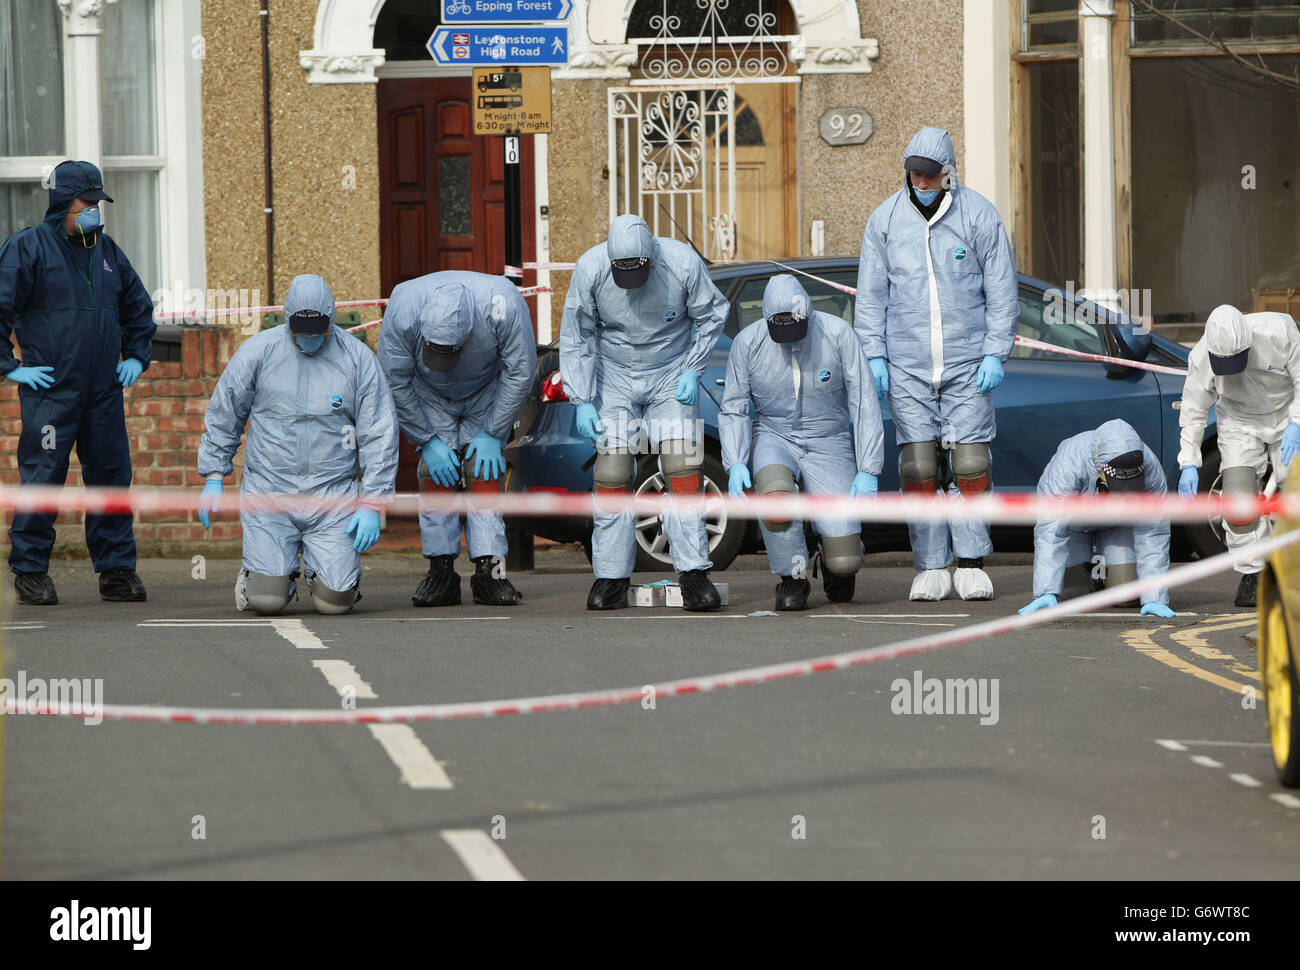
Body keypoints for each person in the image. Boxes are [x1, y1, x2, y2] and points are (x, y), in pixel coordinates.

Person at [854, 127, 1018, 603]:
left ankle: (970, 563)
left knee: (970, 466)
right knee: (919, 468)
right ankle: (930, 564)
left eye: (930, 175)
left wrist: (994, 352)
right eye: (914, 174)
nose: (921, 182)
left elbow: (1002, 291)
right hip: (907, 365)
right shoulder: (885, 221)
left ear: (949, 173)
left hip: (968, 364)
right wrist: (876, 357)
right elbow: (871, 299)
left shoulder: (979, 215)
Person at [0, 160, 155, 606]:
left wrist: (137, 357)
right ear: (63, 203)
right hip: (51, 389)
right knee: (43, 476)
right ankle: (30, 571)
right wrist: (10, 367)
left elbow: (138, 310)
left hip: (103, 391)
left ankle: (117, 570)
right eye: (86, 203)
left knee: (110, 477)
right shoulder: (27, 249)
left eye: (98, 204)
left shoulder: (108, 253)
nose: (94, 211)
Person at [197, 274, 398, 615]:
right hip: (270, 490)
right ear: (287, 321)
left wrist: (372, 501)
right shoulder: (258, 352)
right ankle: (264, 577)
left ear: (331, 322)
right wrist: (214, 474)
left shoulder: (357, 359)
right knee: (267, 600)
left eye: (317, 332)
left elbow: (379, 431)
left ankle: (329, 576)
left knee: (335, 603)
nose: (308, 339)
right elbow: (225, 411)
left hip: (332, 494)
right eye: (300, 332)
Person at [560, 213, 729, 612]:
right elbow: (577, 335)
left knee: (683, 470)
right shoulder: (590, 268)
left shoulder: (683, 263)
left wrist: (693, 368)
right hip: (614, 374)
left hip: (670, 371)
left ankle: (693, 575)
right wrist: (581, 398)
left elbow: (711, 316)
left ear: (652, 256)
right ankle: (611, 577)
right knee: (613, 475)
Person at [720, 274, 883, 610]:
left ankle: (833, 560)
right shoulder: (747, 344)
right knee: (776, 498)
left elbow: (864, 402)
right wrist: (735, 460)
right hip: (774, 433)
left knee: (845, 561)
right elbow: (734, 407)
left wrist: (868, 468)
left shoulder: (838, 334)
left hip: (829, 437)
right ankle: (792, 577)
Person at [377, 270, 536, 607]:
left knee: (484, 471)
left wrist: (493, 432)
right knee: (433, 474)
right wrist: (427, 440)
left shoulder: (503, 302)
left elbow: (520, 369)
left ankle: (490, 571)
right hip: (429, 394)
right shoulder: (404, 307)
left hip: (485, 391)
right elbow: (394, 379)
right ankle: (441, 570)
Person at [1177, 304, 1300, 607]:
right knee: (1238, 502)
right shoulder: (1201, 357)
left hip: (1287, 417)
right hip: (1239, 423)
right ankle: (1253, 574)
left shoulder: (1280, 331)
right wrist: (1189, 462)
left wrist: (1297, 421)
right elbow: (1193, 412)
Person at [1018, 419, 1173, 617]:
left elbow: (1154, 532)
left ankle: (1106, 574)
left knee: (1127, 595)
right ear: (1101, 467)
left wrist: (1155, 597)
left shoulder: (1150, 468)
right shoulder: (1068, 464)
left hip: (1118, 524)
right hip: (1073, 524)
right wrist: (1046, 591)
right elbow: (1052, 528)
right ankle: (1089, 574)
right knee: (1076, 595)